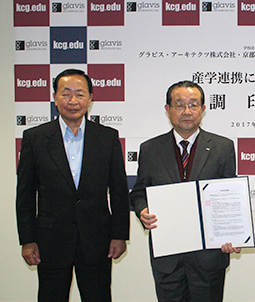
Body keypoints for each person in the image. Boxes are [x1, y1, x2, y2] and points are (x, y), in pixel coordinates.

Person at [16, 69, 130, 302]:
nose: (72, 101)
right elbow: (25, 195)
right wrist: (27, 240)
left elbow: (118, 191)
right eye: (65, 94)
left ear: (90, 98)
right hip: (51, 240)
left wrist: (119, 235)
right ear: (55, 98)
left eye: (79, 94)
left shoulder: (107, 137)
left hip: (97, 239)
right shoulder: (35, 138)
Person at [129, 80, 239, 302]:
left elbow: (230, 198)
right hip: (167, 257)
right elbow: (139, 193)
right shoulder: (150, 149)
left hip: (209, 257)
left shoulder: (223, 147)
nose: (187, 111)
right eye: (179, 105)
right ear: (168, 110)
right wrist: (142, 210)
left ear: (203, 109)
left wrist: (231, 234)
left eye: (193, 105)